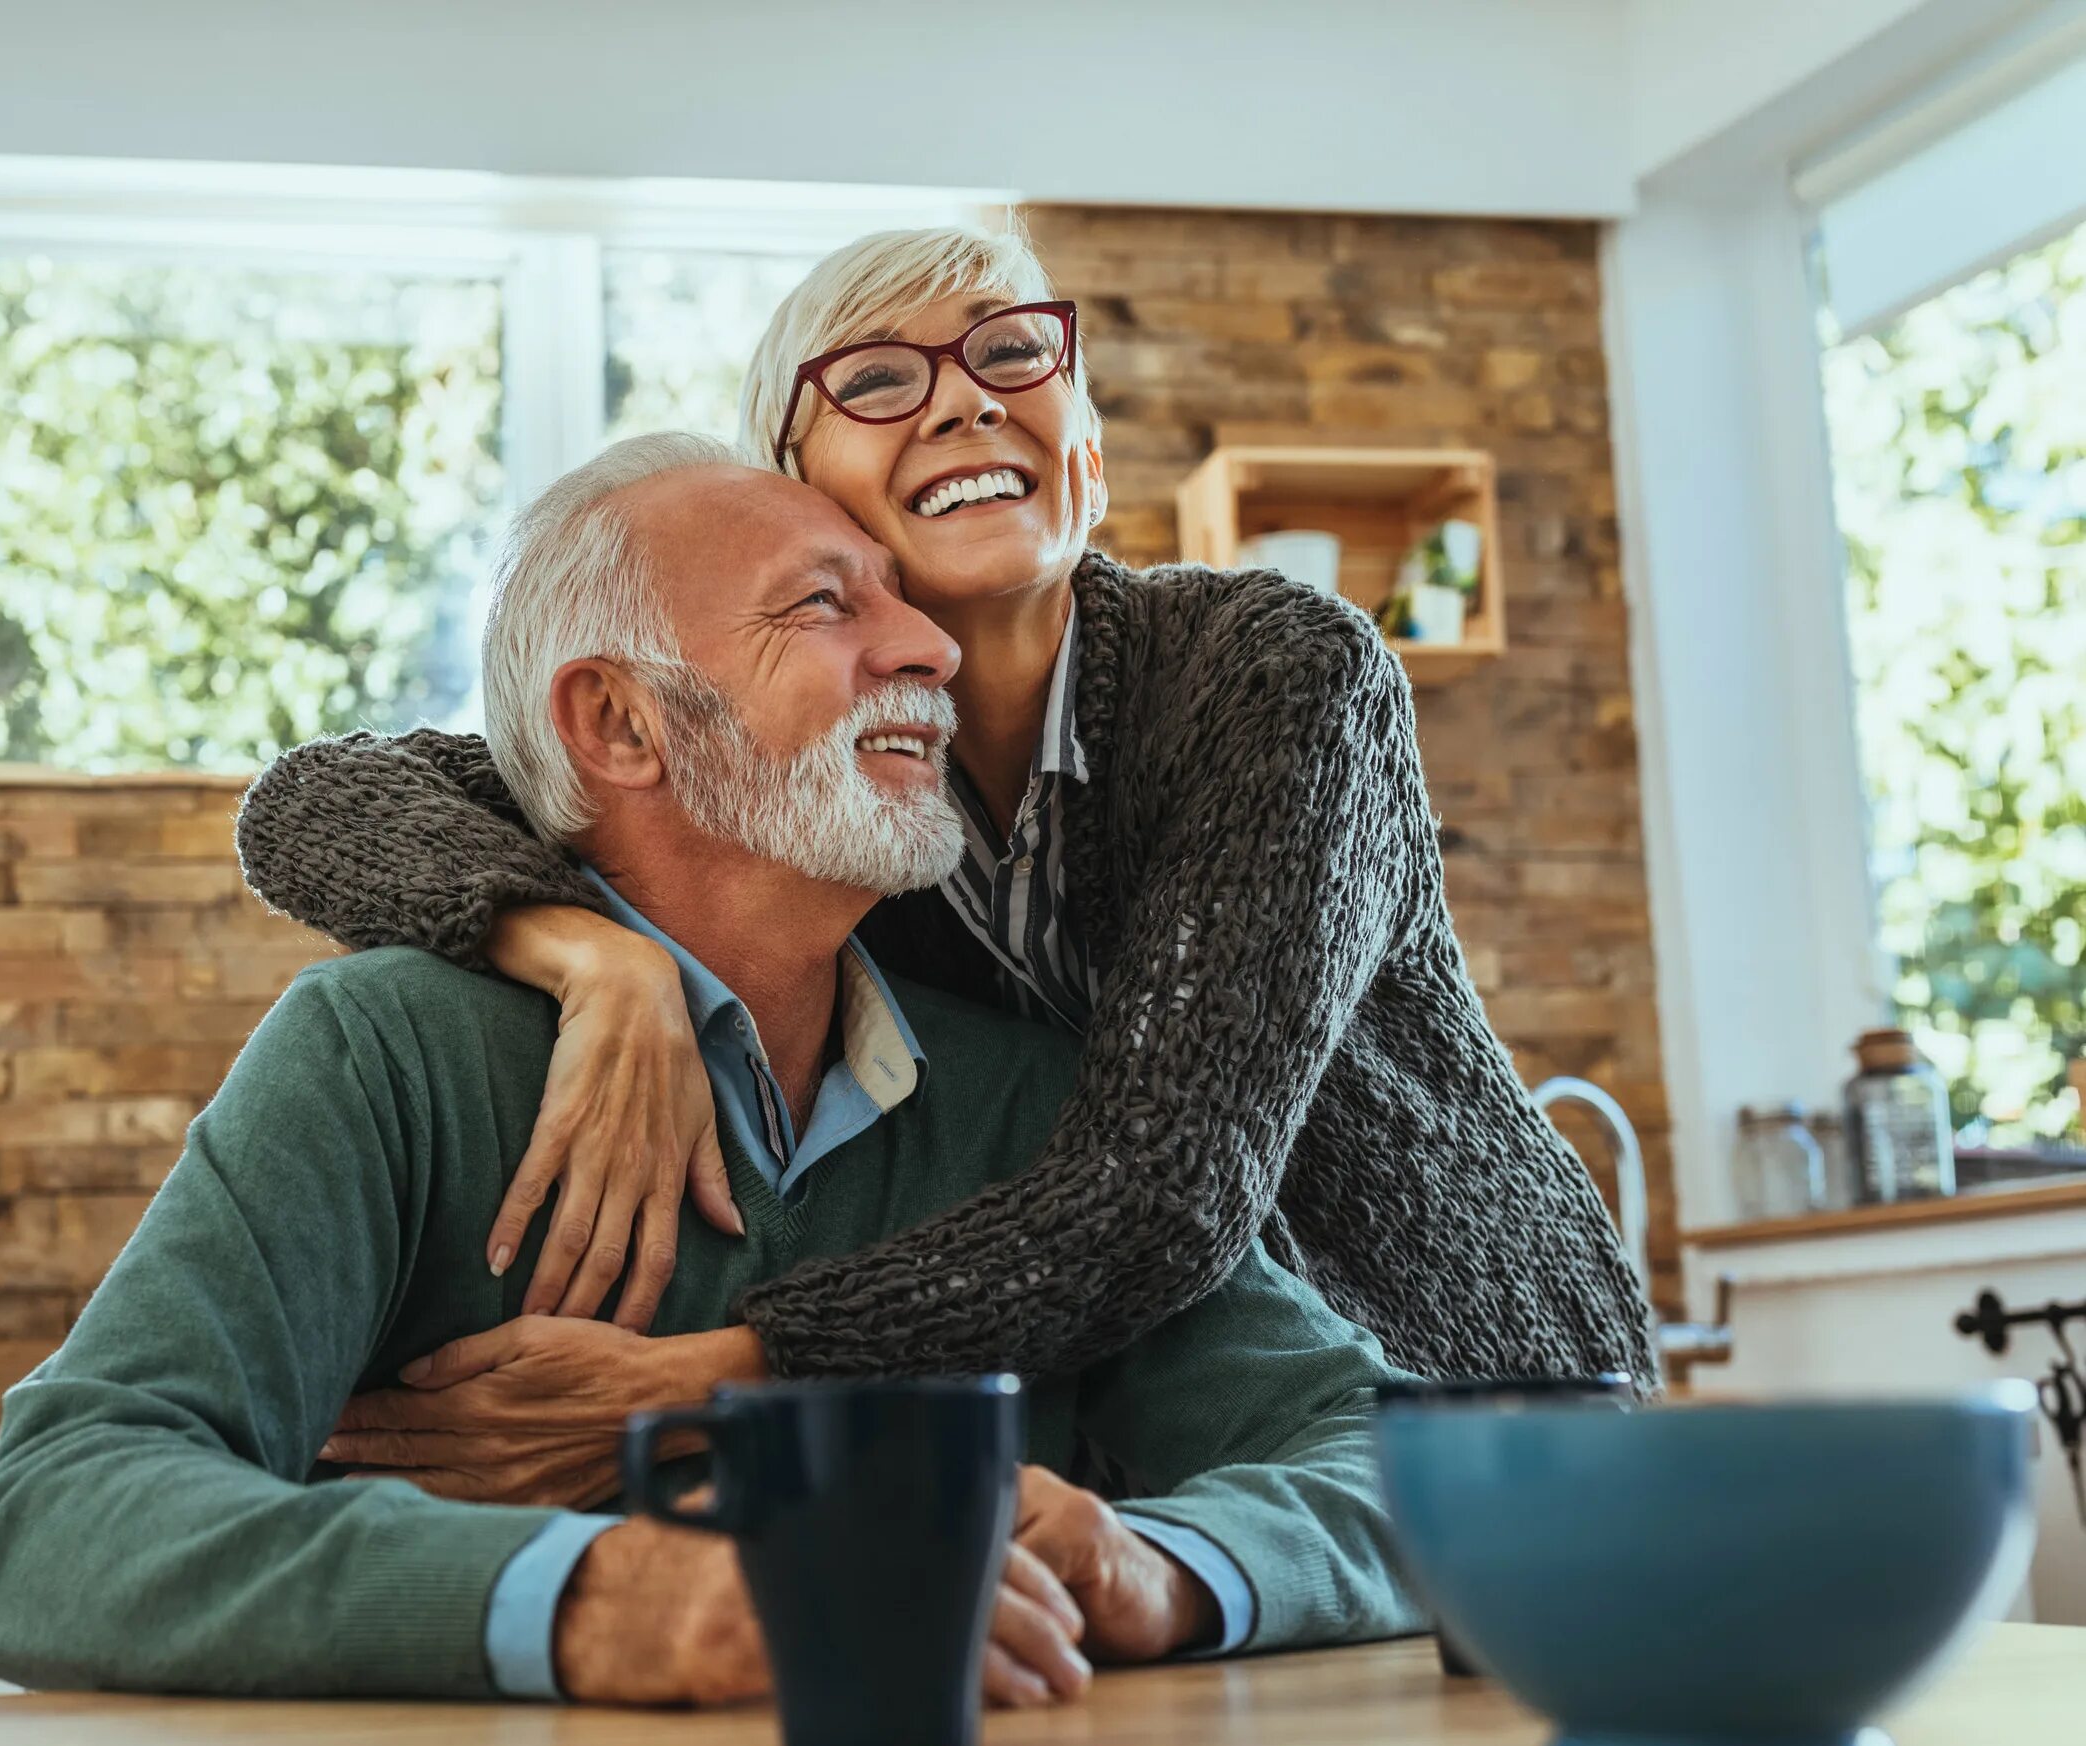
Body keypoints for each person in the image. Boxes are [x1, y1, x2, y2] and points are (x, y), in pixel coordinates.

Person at [0, 435, 1423, 1706]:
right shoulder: (385, 1055)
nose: (929, 649)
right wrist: (610, 1598)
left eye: (903, 603)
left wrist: (1155, 1560)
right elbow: (50, 1520)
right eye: (827, 606)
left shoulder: (1034, 1105)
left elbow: (1393, 1465)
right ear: (619, 723)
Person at [231, 222, 1651, 1514]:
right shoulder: (811, 786)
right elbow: (319, 798)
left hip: (1460, 1402)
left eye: (1013, 352)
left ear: (1084, 445)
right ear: (798, 496)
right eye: (878, 382)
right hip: (1142, 1460)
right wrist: (587, 953)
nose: (968, 398)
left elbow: (1161, 1194)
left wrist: (709, 1376)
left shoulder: (1277, 676)